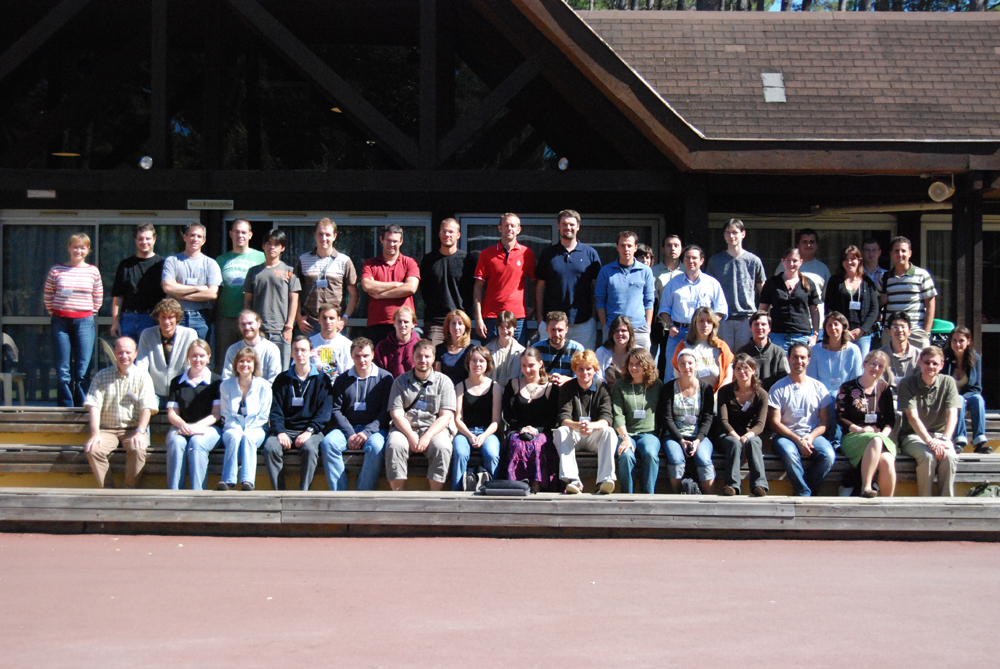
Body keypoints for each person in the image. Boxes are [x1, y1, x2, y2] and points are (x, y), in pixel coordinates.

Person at [83, 337, 158, 488]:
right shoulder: (101, 376)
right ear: (115, 353)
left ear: (135, 354)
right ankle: (108, 490)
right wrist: (95, 433)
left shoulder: (143, 376)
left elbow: (147, 407)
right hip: (107, 430)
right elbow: (94, 406)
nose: (124, 356)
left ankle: (129, 490)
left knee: (138, 449)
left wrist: (140, 431)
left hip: (133, 429)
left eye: (128, 352)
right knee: (93, 450)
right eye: (120, 352)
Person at [321, 337, 394, 491]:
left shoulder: (385, 378)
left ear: (373, 355)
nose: (362, 360)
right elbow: (336, 409)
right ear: (351, 356)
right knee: (328, 443)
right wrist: (350, 433)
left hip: (374, 430)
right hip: (348, 429)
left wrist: (367, 432)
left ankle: (363, 494)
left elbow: (386, 412)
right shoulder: (342, 379)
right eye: (357, 356)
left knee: (376, 447)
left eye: (366, 355)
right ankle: (339, 494)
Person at [385, 339, 456, 491]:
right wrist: (410, 435)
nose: (422, 360)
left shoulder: (444, 382)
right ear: (413, 357)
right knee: (395, 445)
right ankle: (397, 495)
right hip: (405, 428)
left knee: (443, 447)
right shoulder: (400, 381)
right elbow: (396, 414)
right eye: (418, 356)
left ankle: (434, 495)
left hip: (434, 429)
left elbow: (446, 416)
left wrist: (428, 436)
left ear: (433, 358)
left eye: (427, 356)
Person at [263, 336, 332, 491]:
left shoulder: (322, 379)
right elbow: (275, 410)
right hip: (286, 430)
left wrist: (309, 431)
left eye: (303, 350)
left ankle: (304, 493)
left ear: (311, 352)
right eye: (296, 350)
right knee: (270, 447)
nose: (300, 354)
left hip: (311, 431)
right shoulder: (282, 379)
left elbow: (324, 412)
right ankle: (279, 493)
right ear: (291, 353)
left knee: (310, 449)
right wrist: (280, 431)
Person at [767, 343, 835, 497]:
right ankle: (804, 492)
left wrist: (810, 437)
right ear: (788, 359)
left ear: (809, 360)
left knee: (828, 456)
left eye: (803, 357)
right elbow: (775, 423)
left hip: (812, 436)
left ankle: (808, 489)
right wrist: (797, 440)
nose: (799, 361)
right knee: (790, 453)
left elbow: (824, 422)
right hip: (785, 436)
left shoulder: (819, 387)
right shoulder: (778, 388)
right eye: (795, 357)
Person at [44, 232, 103, 407]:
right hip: (60, 322)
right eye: (75, 247)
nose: (79, 251)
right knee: (63, 369)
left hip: (84, 322)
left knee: (83, 368)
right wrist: (56, 312)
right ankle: (65, 406)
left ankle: (82, 406)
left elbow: (98, 297)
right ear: (69, 248)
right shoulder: (56, 270)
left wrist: (88, 313)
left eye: (83, 247)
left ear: (88, 250)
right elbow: (48, 296)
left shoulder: (93, 271)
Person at [897, 346, 962, 497]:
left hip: (940, 436)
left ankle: (946, 502)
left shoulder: (948, 382)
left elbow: (952, 414)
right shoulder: (907, 383)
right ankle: (925, 501)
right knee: (927, 457)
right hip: (913, 436)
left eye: (935, 363)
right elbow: (912, 417)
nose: (930, 366)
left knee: (950, 457)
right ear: (919, 362)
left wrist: (945, 439)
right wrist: (930, 441)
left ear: (941, 365)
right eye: (927, 362)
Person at [534, 209, 602, 350]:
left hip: (583, 324)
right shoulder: (548, 254)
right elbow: (540, 287)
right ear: (559, 226)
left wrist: (593, 318)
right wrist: (540, 319)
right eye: (564, 224)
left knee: (584, 362)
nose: (568, 227)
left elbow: (597, 289)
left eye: (571, 224)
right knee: (549, 362)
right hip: (552, 325)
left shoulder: (590, 254)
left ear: (578, 227)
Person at [659, 245, 728, 381]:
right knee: (673, 373)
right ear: (683, 261)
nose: (691, 261)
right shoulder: (673, 283)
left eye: (694, 258)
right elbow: (664, 309)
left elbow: (721, 310)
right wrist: (670, 325)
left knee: (703, 371)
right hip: (679, 334)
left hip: (703, 335)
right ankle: (673, 395)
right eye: (687, 258)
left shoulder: (712, 283)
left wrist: (708, 326)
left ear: (701, 261)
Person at [555, 350, 617, 495]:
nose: (585, 373)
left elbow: (607, 418)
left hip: (593, 435)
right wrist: (579, 426)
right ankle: (573, 481)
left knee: (609, 432)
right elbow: (563, 418)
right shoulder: (567, 388)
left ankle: (604, 480)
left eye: (589, 368)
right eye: (580, 369)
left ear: (595, 370)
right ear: (574, 370)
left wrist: (591, 426)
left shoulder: (602, 388)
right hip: (574, 435)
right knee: (561, 431)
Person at [835, 350, 896, 498]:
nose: (876, 368)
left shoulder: (885, 388)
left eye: (881, 366)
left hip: (880, 437)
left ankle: (888, 503)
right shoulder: (847, 388)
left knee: (887, 460)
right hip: (854, 436)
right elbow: (840, 417)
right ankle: (866, 487)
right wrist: (860, 430)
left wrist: (883, 434)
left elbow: (890, 420)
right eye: (873, 364)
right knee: (875, 440)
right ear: (864, 364)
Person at [164, 339, 221, 490]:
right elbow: (172, 413)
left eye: (202, 356)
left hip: (209, 428)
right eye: (194, 355)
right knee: (176, 442)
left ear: (208, 357)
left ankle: (198, 493)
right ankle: (175, 493)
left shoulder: (217, 382)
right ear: (188, 357)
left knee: (197, 442)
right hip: (182, 426)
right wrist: (183, 425)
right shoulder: (177, 382)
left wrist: (197, 426)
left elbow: (216, 414)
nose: (198, 359)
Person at [659, 348, 716, 494]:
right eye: (682, 364)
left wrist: (697, 441)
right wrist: (680, 440)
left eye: (690, 363)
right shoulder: (668, 388)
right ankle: (679, 496)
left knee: (704, 459)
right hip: (674, 436)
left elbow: (708, 418)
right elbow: (667, 418)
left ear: (696, 365)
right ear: (678, 366)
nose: (686, 367)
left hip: (699, 435)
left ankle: (709, 499)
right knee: (676, 459)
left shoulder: (706, 389)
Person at [705, 218, 766, 353]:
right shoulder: (716, 260)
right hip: (722, 317)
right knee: (723, 357)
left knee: (744, 358)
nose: (731, 236)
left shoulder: (754, 260)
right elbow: (708, 290)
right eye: (728, 233)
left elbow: (763, 289)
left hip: (747, 318)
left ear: (743, 234)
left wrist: (761, 315)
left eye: (735, 232)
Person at [244, 228, 301, 370]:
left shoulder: (289, 271)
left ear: (283, 248)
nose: (272, 247)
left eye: (276, 244)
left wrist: (289, 327)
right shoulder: (253, 272)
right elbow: (248, 301)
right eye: (269, 243)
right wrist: (248, 326)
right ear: (263, 246)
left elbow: (294, 300)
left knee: (282, 372)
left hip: (281, 331)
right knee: (257, 370)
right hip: (258, 331)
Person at [502, 348, 559, 491]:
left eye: (531, 365)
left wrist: (536, 430)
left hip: (541, 431)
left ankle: (537, 484)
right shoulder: (513, 384)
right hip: (517, 430)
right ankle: (516, 484)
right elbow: (507, 414)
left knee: (537, 444)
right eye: (523, 365)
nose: (527, 370)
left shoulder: (550, 387)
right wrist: (521, 429)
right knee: (518, 444)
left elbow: (553, 417)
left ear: (540, 364)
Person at [473, 213, 535, 343]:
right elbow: (478, 287)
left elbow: (535, 283)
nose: (509, 228)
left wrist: (533, 307)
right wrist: (478, 317)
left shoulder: (526, 253)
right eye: (506, 225)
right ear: (500, 228)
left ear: (519, 229)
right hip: (491, 316)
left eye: (513, 226)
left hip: (517, 316)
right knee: (490, 355)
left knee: (517, 354)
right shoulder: (487, 254)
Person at [218, 347, 272, 491]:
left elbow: (263, 415)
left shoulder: (264, 386)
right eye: (241, 361)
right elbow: (226, 414)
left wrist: (247, 430)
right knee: (233, 437)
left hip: (257, 428)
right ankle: (228, 481)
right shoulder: (226, 386)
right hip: (232, 427)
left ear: (254, 365)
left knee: (248, 437)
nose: (245, 364)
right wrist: (237, 429)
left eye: (249, 361)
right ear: (236, 364)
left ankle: (247, 481)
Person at [294, 217, 359, 336]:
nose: (324, 238)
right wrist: (298, 317)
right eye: (320, 234)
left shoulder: (344, 261)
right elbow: (295, 292)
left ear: (335, 236)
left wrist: (344, 319)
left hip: (335, 323)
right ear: (315, 235)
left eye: (328, 235)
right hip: (309, 324)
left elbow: (354, 294)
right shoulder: (303, 260)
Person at [419, 218, 478, 346]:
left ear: (458, 235)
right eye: (444, 231)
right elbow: (424, 290)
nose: (447, 235)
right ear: (439, 234)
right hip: (435, 322)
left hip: (460, 321)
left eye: (451, 232)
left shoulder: (467, 260)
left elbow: (472, 290)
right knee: (432, 356)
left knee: (460, 356)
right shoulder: (429, 260)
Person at [450, 346, 503, 489]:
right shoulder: (460, 386)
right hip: (464, 432)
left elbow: (496, 420)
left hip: (487, 432)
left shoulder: (495, 387)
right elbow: (458, 418)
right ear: (468, 363)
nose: (477, 364)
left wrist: (483, 436)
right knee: (460, 453)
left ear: (487, 364)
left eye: (481, 361)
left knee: (492, 454)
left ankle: (492, 490)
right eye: (473, 361)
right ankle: (456, 492)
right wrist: (469, 435)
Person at [611, 348, 662, 495]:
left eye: (638, 364)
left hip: (649, 434)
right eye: (631, 364)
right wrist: (625, 437)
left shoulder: (657, 385)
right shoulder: (620, 386)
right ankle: (628, 497)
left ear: (646, 365)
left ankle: (648, 496)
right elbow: (618, 415)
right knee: (626, 455)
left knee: (650, 454)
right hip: (626, 433)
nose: (633, 368)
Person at [717, 353, 769, 497]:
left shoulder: (761, 394)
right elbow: (723, 421)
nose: (742, 372)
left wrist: (746, 437)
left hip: (750, 434)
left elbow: (760, 424)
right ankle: (732, 485)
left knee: (754, 442)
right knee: (735, 443)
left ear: (753, 370)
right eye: (738, 368)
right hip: (728, 434)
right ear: (734, 371)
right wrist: (739, 438)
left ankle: (759, 485)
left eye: (746, 368)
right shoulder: (725, 391)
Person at [161, 222, 222, 342]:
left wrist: (180, 294)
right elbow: (168, 287)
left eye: (199, 236)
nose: (195, 239)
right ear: (185, 237)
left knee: (199, 351)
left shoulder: (210, 264)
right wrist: (198, 288)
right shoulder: (172, 261)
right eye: (192, 235)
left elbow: (212, 294)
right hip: (175, 316)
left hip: (200, 317)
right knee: (175, 352)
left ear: (203, 241)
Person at [216, 218, 266, 362]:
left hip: (252, 318)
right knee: (225, 358)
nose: (240, 235)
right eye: (236, 232)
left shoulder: (261, 257)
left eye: (244, 232)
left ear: (250, 235)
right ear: (230, 234)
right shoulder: (221, 260)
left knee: (251, 359)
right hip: (226, 317)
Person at [361, 224, 420, 344]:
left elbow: (411, 288)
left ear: (401, 242)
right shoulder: (370, 264)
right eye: (388, 240)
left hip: (403, 323)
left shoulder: (409, 263)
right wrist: (396, 284)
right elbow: (367, 286)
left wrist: (381, 294)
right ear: (381, 239)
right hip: (377, 323)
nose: (392, 244)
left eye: (395, 241)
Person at [595, 231, 655, 350]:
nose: (626, 249)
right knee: (611, 362)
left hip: (639, 328)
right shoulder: (606, 271)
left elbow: (649, 301)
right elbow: (600, 300)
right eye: (622, 245)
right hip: (613, 328)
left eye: (629, 245)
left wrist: (647, 327)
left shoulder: (645, 271)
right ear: (617, 247)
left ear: (635, 248)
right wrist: (605, 326)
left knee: (640, 361)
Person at [110, 223, 165, 343]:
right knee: (126, 353)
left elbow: (168, 295)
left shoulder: (163, 264)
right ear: (135, 240)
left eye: (148, 238)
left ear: (154, 240)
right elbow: (118, 297)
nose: (144, 242)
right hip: (128, 319)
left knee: (149, 354)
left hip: (152, 319)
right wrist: (115, 321)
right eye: (140, 239)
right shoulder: (126, 265)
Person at [880, 236, 937, 350]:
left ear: (910, 253)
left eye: (903, 251)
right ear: (891, 253)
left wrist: (926, 332)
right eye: (896, 251)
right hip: (891, 333)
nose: (900, 254)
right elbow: (878, 303)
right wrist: (881, 302)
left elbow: (930, 305)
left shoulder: (922, 275)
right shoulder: (885, 278)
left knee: (921, 362)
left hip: (915, 332)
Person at [759, 247, 821, 352]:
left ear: (801, 262)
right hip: (776, 335)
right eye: (788, 260)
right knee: (778, 363)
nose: (791, 264)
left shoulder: (808, 284)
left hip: (801, 335)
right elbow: (762, 310)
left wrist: (815, 335)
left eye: (795, 261)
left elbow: (814, 312)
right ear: (782, 261)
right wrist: (764, 332)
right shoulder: (772, 282)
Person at [136, 298, 199, 402]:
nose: (166, 322)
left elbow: (190, 365)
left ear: (177, 318)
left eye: (170, 317)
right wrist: (145, 391)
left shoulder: (189, 334)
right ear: (158, 318)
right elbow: (141, 364)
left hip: (179, 392)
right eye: (163, 317)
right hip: (153, 392)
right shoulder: (147, 334)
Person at [824, 245, 879, 359]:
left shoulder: (868, 282)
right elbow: (829, 308)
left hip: (862, 335)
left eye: (853, 258)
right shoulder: (835, 281)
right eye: (846, 259)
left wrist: (862, 329)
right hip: (841, 334)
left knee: (862, 365)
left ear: (859, 260)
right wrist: (843, 330)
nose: (849, 262)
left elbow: (874, 309)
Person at [945, 326, 989, 453]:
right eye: (954, 340)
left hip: (968, 397)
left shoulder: (975, 359)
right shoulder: (945, 358)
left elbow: (977, 387)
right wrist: (960, 400)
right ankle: (959, 440)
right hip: (948, 398)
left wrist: (964, 399)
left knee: (978, 399)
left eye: (961, 341)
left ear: (968, 341)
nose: (957, 344)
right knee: (958, 399)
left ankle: (979, 441)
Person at [670, 306, 734, 393]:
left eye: (709, 321)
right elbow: (679, 378)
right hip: (691, 395)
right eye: (701, 321)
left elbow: (728, 378)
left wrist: (716, 396)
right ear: (694, 323)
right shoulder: (682, 347)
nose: (705, 325)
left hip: (717, 396)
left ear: (714, 324)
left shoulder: (722, 347)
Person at [807, 312, 863, 397]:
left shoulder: (854, 350)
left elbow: (856, 379)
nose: (833, 328)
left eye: (836, 324)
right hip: (820, 397)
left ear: (843, 327)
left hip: (846, 397)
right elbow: (811, 380)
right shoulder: (815, 350)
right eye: (829, 325)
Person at [651, 234, 683, 378]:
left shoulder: (686, 271)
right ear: (663, 249)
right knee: (657, 364)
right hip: (658, 326)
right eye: (669, 245)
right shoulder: (653, 272)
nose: (672, 249)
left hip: (679, 326)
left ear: (681, 249)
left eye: (676, 245)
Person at [772, 228, 831, 307]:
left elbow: (827, 297)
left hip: (816, 313)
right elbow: (775, 291)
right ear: (798, 245)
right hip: (790, 312)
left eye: (812, 242)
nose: (808, 245)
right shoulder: (786, 265)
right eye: (804, 242)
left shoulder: (823, 268)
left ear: (817, 245)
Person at [220, 310, 282, 383]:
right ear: (239, 327)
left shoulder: (271, 349)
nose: (247, 327)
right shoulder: (233, 349)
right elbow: (227, 378)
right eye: (243, 324)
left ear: (258, 324)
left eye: (250, 323)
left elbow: (274, 379)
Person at [737, 311, 789, 391]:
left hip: (773, 396)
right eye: (756, 324)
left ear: (769, 328)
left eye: (763, 324)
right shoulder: (742, 352)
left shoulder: (779, 353)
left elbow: (785, 380)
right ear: (750, 327)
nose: (760, 327)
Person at [534, 311, 585, 386]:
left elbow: (582, 377)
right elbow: (530, 377)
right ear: (546, 329)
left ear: (566, 330)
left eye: (560, 330)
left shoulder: (577, 349)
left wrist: (566, 380)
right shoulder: (536, 349)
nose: (556, 334)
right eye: (553, 330)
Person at [309, 304, 353, 383]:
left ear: (338, 320)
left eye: (331, 318)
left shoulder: (347, 344)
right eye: (324, 318)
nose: (327, 321)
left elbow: (349, 372)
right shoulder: (309, 343)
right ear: (319, 319)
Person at [877, 311, 920, 388]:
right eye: (895, 327)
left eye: (903, 327)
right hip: (887, 394)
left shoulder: (919, 355)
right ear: (889, 332)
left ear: (909, 331)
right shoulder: (879, 355)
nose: (899, 330)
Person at [373, 305, 418, 378]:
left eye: (406, 322)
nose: (402, 325)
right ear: (394, 323)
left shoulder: (420, 345)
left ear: (413, 324)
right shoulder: (383, 346)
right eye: (399, 321)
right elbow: (378, 373)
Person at [485, 310, 525, 387]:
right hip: (491, 391)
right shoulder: (487, 349)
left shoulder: (522, 351)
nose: (505, 331)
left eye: (508, 327)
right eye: (501, 327)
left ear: (515, 328)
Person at [434, 309, 472, 384]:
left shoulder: (471, 350)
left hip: (465, 389)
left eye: (460, 323)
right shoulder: (439, 349)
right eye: (453, 323)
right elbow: (437, 376)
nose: (456, 327)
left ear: (466, 327)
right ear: (448, 326)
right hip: (444, 388)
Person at [596, 315, 635, 385]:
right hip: (606, 390)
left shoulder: (637, 352)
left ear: (630, 333)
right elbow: (598, 379)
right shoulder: (601, 352)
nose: (620, 334)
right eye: (616, 331)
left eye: (623, 330)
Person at [861, 237, 887, 343]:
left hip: (880, 324)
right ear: (862, 252)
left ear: (879, 252)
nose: (870, 254)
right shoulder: (856, 276)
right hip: (861, 324)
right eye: (867, 250)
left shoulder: (886, 276)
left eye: (874, 250)